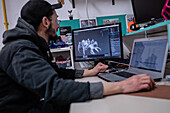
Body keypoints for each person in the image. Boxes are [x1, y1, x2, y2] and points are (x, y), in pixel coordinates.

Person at [0, 0, 155, 113]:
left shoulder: (33, 45)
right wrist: (121, 86)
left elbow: (57, 72)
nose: (58, 25)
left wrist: (90, 72)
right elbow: (55, 88)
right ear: (45, 22)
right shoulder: (21, 50)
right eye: (57, 20)